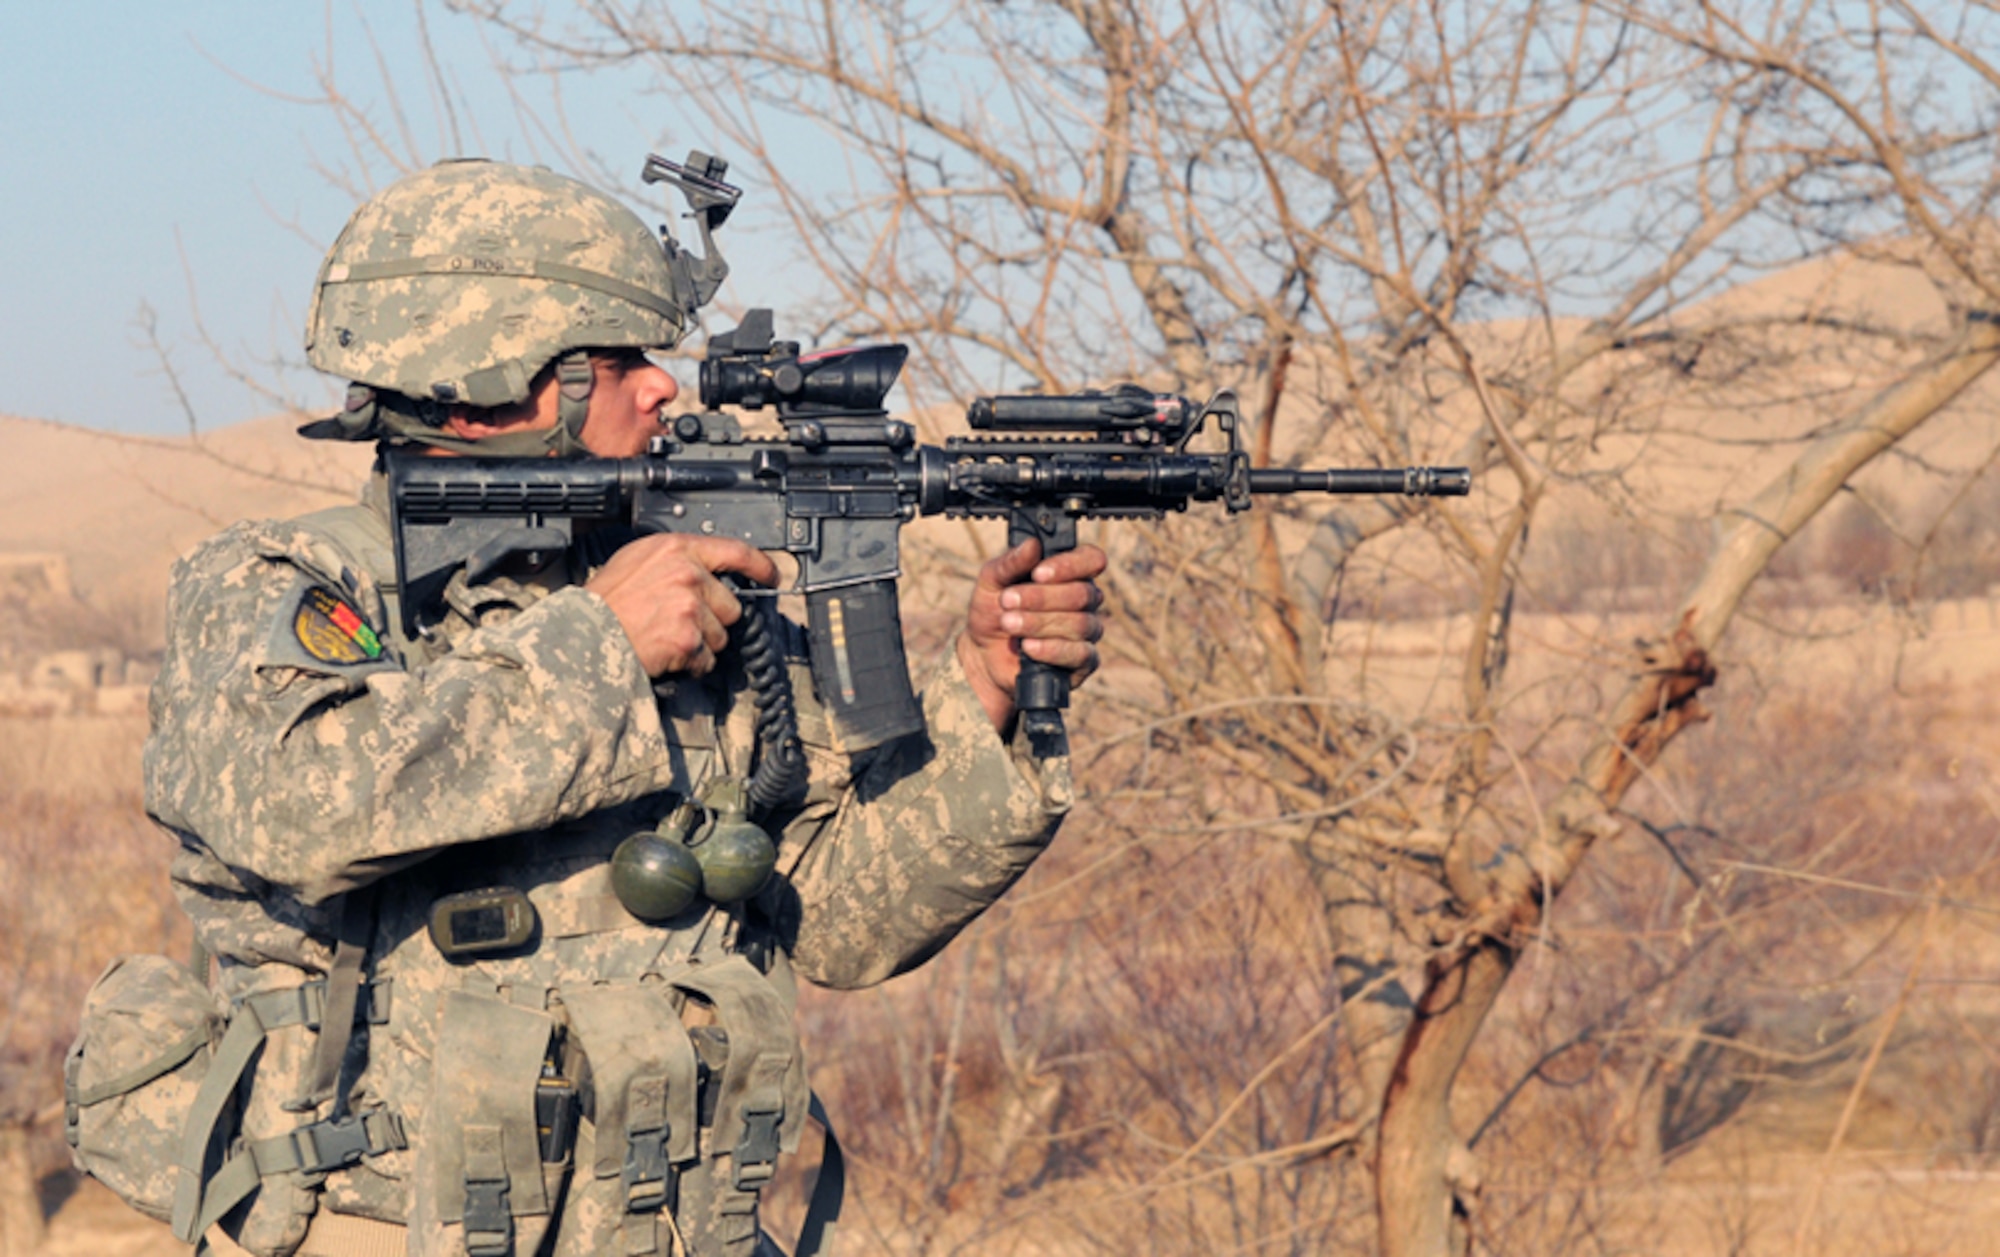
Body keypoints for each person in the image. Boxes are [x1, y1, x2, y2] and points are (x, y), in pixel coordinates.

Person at [69, 159, 1105, 1257]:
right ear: (482, 374)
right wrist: (601, 648)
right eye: (615, 361)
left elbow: (842, 923)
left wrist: (981, 694)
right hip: (381, 1228)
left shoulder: (681, 595)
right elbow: (298, 814)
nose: (662, 389)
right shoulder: (285, 585)